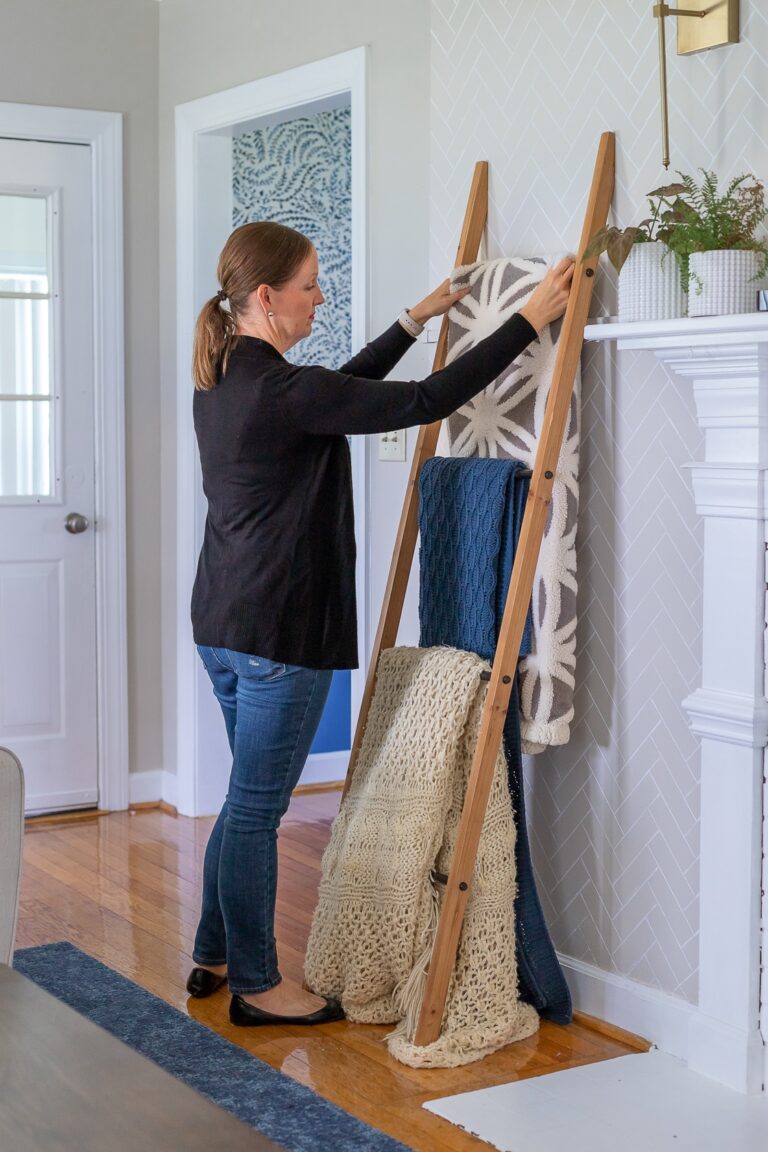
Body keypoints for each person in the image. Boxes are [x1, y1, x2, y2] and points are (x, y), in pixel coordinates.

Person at [186, 220, 574, 1026]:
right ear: (268, 297)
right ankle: (258, 986)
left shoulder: (225, 381)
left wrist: (412, 320)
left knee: (245, 798)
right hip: (277, 632)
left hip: (222, 624)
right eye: (309, 286)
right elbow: (425, 401)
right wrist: (528, 320)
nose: (319, 298)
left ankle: (214, 952)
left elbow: (336, 393)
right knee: (257, 810)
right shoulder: (284, 391)